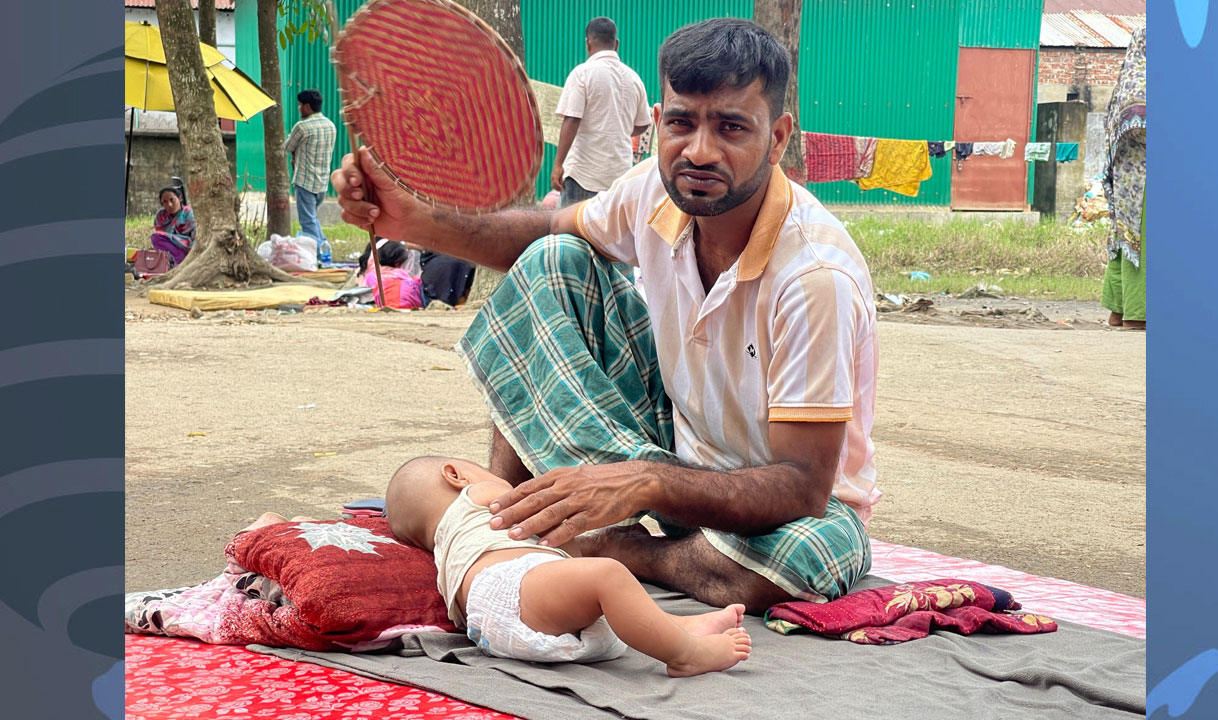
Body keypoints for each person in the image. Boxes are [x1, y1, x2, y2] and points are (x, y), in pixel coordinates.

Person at [333, 19, 879, 614]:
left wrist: (644, 481)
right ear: (657, 121)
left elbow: (801, 485)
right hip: (678, 447)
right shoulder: (653, 190)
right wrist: (412, 220)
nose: (699, 151)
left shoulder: (814, 277)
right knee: (554, 259)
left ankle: (622, 549)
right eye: (682, 123)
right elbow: (546, 228)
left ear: (776, 139)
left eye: (731, 127)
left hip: (790, 508)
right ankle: (511, 511)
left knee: (805, 554)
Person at [386, 455, 751, 676]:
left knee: (609, 601)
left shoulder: (445, 549)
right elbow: (553, 522)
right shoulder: (479, 496)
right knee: (608, 575)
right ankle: (686, 655)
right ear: (456, 475)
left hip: (487, 626)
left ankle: (682, 627)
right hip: (510, 586)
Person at [551, 17, 651, 208]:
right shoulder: (634, 78)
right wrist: (619, 128)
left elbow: (572, 120)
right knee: (610, 228)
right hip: (619, 176)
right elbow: (643, 124)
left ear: (588, 43)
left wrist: (558, 165)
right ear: (616, 44)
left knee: (570, 226)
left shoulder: (582, 73)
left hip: (583, 174)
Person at [1100, 25, 1146, 330]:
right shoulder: (1142, 83)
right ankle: (1137, 314)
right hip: (1142, 180)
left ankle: (1118, 311)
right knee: (1144, 240)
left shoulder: (1128, 79)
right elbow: (1139, 127)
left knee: (1126, 240)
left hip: (1128, 179)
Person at [285, 89, 338, 246]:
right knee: (312, 219)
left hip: (305, 182)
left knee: (308, 222)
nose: (299, 108)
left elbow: (287, 146)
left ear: (307, 107)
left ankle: (319, 254)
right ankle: (324, 249)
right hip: (322, 184)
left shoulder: (302, 127)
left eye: (300, 105)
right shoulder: (331, 126)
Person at [358, 238, 424, 309]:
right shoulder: (400, 273)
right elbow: (409, 284)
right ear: (398, 263)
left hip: (377, 302)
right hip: (398, 301)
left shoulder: (370, 275)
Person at [151, 186, 195, 265]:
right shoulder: (161, 216)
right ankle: (170, 261)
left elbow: (195, 236)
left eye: (172, 200)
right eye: (165, 202)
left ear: (179, 198)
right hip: (171, 249)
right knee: (155, 237)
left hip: (187, 247)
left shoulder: (189, 213)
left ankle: (180, 261)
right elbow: (162, 237)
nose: (170, 205)